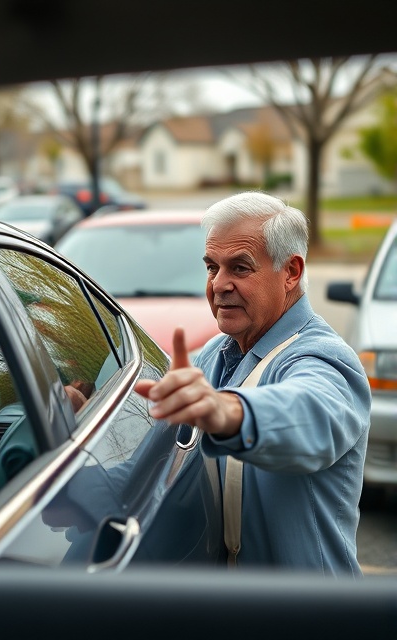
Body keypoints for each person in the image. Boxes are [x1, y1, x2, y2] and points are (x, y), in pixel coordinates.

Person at [134, 191, 371, 576]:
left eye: (240, 269)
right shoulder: (213, 355)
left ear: (291, 272)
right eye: (212, 267)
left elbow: (311, 416)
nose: (219, 284)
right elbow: (154, 464)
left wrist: (226, 410)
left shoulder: (326, 358)